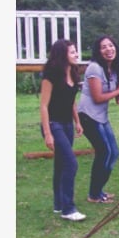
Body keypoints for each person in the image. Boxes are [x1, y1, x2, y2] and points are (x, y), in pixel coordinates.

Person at [78, 35, 119, 204]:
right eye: (104, 47)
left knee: (113, 152)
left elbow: (113, 93)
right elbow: (98, 97)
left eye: (111, 46)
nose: (109, 49)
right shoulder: (94, 68)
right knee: (104, 152)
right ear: (98, 51)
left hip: (101, 117)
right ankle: (94, 194)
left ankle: (99, 191)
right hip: (88, 115)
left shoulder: (113, 69)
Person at [39, 39, 85, 221]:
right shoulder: (51, 75)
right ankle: (68, 209)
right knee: (71, 163)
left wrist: (77, 121)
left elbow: (71, 100)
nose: (76, 55)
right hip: (53, 124)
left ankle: (59, 203)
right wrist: (48, 133)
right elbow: (43, 106)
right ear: (62, 54)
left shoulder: (73, 73)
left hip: (66, 124)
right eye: (73, 52)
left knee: (60, 164)